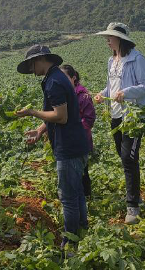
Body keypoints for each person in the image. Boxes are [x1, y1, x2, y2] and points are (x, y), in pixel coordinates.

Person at [15, 45, 90, 250]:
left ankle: (70, 243)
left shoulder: (54, 82)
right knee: (77, 193)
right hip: (76, 144)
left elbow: (60, 116)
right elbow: (54, 113)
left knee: (68, 197)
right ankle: (83, 230)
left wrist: (32, 112)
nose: (31, 70)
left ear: (40, 60)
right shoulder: (55, 77)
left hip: (69, 147)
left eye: (31, 65)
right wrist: (40, 131)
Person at [93, 22, 145, 225]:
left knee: (129, 158)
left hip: (134, 116)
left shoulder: (137, 58)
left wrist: (126, 93)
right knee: (123, 155)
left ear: (120, 39)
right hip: (116, 115)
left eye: (110, 37)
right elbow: (112, 86)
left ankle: (132, 206)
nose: (107, 40)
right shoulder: (112, 60)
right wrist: (103, 94)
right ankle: (134, 195)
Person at [60, 64, 96, 197]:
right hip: (67, 139)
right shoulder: (63, 94)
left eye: (65, 77)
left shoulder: (83, 96)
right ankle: (79, 195)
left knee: (82, 170)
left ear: (73, 78)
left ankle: (86, 195)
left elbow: (89, 119)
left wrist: (75, 130)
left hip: (81, 140)